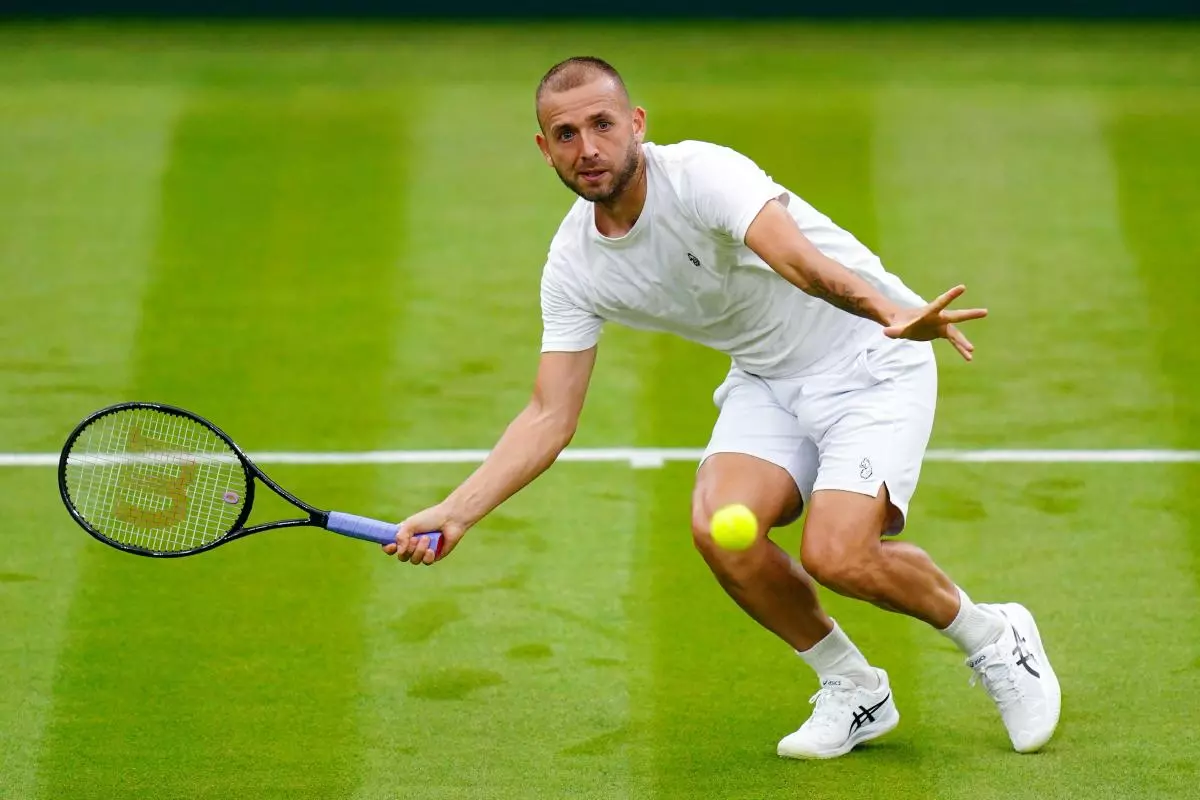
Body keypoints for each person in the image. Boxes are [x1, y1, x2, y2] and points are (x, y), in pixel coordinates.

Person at [383, 56, 1061, 759]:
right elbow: (549, 416)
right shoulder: (574, 265)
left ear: (636, 124)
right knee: (719, 529)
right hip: (768, 378)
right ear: (544, 148)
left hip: (871, 354)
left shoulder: (702, 175)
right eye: (565, 134)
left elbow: (799, 263)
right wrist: (456, 511)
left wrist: (888, 311)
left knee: (838, 555)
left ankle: (995, 637)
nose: (587, 148)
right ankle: (854, 688)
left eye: (602, 125)